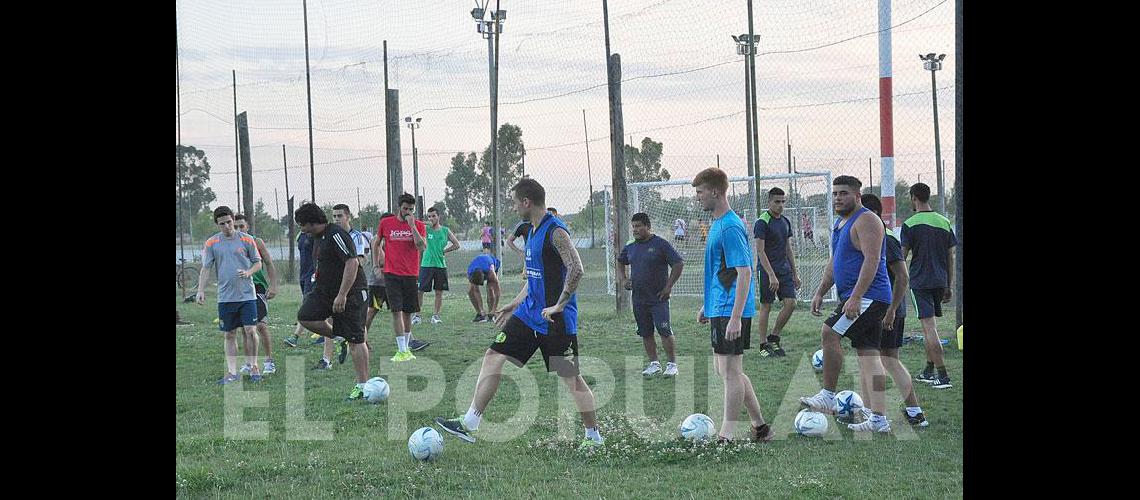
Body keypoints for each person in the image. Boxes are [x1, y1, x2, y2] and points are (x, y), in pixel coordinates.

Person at [434, 178, 604, 449]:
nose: (513, 207)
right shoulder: (531, 230)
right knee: (493, 355)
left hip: (555, 321)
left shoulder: (555, 231)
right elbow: (536, 277)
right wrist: (514, 303)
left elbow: (576, 268)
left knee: (570, 377)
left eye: (515, 202)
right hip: (528, 314)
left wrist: (560, 304)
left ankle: (593, 436)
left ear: (527, 202)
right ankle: (470, 422)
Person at [799, 175, 894, 433]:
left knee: (829, 332)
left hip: (869, 296)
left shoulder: (867, 220)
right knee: (869, 355)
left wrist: (855, 297)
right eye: (835, 193)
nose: (838, 198)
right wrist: (820, 290)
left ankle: (828, 395)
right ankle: (878, 420)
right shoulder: (841, 223)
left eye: (844, 193)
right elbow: (834, 262)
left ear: (857, 195)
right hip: (860, 296)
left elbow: (872, 260)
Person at [691, 168, 772, 443]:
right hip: (720, 307)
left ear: (715, 191)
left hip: (731, 309)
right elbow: (720, 271)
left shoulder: (730, 226)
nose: (698, 198)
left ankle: (726, 434)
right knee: (727, 371)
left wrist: (736, 316)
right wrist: (708, 305)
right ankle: (760, 427)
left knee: (730, 372)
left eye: (700, 192)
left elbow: (745, 272)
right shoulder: (717, 223)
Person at [862, 194, 929, 427]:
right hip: (880, 309)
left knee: (886, 360)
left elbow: (903, 276)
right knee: (877, 359)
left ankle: (913, 411)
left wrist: (891, 311)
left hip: (887, 310)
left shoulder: (885, 238)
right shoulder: (875, 235)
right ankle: (872, 410)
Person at [293, 202, 372, 400]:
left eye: (302, 225)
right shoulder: (318, 238)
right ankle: (340, 337)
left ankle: (363, 387)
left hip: (352, 292)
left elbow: (352, 262)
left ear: (311, 223)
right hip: (325, 292)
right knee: (305, 316)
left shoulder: (336, 234)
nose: (301, 229)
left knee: (357, 340)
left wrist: (342, 294)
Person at [195, 206, 264, 384]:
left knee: (250, 330)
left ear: (233, 220)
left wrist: (249, 273)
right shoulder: (212, 243)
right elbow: (206, 268)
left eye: (229, 222)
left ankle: (254, 365)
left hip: (247, 295)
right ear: (217, 225)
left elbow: (258, 263)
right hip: (225, 297)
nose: (227, 226)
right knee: (229, 334)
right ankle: (232, 372)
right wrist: (200, 290)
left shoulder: (247, 239)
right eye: (222, 224)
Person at [900, 182, 957, 389]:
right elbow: (950, 256)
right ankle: (928, 370)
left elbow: (902, 257)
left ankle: (943, 376)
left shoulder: (910, 224)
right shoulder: (944, 221)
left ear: (914, 197)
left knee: (929, 328)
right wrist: (949, 285)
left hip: (920, 282)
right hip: (940, 281)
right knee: (928, 328)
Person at [617, 213, 684, 377]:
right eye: (633, 226)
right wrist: (624, 279)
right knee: (645, 332)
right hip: (639, 299)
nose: (635, 229)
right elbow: (620, 261)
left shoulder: (660, 244)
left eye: (639, 226)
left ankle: (672, 364)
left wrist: (668, 287)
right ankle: (654, 364)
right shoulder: (631, 247)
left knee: (664, 330)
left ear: (648, 226)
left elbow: (678, 263)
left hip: (658, 298)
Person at [375, 193, 430, 362]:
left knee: (407, 312)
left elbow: (422, 247)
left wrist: (412, 226)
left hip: (411, 274)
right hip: (392, 273)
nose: (407, 212)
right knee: (396, 310)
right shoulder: (386, 223)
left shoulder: (419, 225)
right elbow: (377, 243)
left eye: (411, 209)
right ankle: (400, 350)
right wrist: (378, 265)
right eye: (405, 208)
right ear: (399, 207)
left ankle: (406, 349)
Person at [752, 187, 801, 358]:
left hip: (784, 270)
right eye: (777, 202)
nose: (780, 205)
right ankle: (763, 345)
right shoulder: (762, 222)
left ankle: (774, 336)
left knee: (791, 303)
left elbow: (788, 248)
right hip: (767, 271)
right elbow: (760, 251)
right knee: (766, 305)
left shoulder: (785, 221)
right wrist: (771, 274)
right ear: (769, 202)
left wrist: (795, 273)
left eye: (783, 202)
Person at [233, 214, 279, 375]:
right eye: (235, 226)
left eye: (241, 226)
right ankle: (249, 362)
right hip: (239, 289)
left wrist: (273, 285)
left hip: (257, 288)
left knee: (261, 326)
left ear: (247, 227)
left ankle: (269, 361)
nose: (238, 230)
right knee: (244, 328)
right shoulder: (229, 243)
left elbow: (269, 263)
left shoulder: (256, 242)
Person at [412, 207, 462, 326]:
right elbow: (414, 223)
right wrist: (425, 222)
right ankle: (417, 315)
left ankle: (436, 315)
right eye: (429, 216)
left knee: (439, 292)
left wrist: (444, 251)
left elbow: (457, 244)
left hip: (440, 266)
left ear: (438, 217)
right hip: (426, 265)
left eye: (434, 216)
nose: (431, 218)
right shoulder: (425, 229)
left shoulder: (445, 230)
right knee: (420, 291)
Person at [284, 228, 318, 347]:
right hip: (303, 274)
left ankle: (295, 336)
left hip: (313, 274)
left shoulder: (315, 235)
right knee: (319, 306)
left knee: (306, 305)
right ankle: (327, 334)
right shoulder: (300, 235)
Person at [466, 254, 501, 323]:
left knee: (490, 288)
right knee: (470, 292)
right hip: (477, 267)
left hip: (490, 263)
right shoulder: (470, 272)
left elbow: (497, 292)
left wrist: (494, 309)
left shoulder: (491, 272)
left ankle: (491, 314)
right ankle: (480, 314)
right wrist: (481, 309)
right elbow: (476, 291)